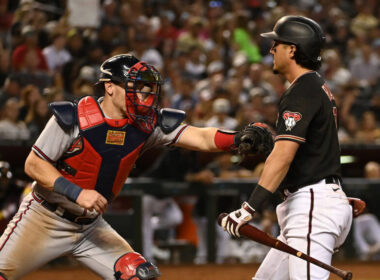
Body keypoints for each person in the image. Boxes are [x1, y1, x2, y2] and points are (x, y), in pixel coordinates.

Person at [0, 53, 272, 279]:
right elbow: (34, 164)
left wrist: (236, 139)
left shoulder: (146, 123)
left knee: (140, 276)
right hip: (45, 217)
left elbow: (199, 136)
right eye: (134, 87)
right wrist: (77, 193)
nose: (142, 96)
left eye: (144, 89)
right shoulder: (72, 118)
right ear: (109, 87)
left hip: (90, 227)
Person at [221, 16, 353, 280]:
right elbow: (314, 151)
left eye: (276, 44)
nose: (271, 49)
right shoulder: (315, 86)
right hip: (314, 203)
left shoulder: (303, 89)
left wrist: (248, 209)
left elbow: (284, 156)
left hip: (313, 209)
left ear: (292, 49)